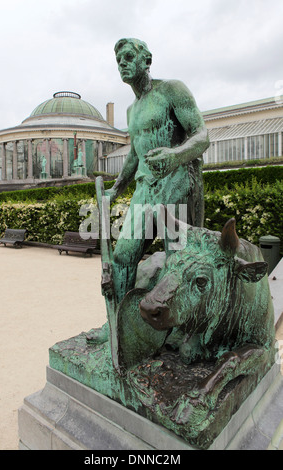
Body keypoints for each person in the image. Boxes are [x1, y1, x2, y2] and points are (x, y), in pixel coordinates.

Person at [106, 38, 210, 303]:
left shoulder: (172, 90)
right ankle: (121, 326)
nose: (122, 65)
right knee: (122, 256)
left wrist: (175, 155)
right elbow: (134, 155)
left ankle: (181, 331)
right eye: (119, 61)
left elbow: (202, 135)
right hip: (145, 188)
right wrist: (116, 189)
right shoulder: (132, 110)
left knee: (179, 259)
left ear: (147, 61)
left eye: (128, 58)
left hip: (177, 180)